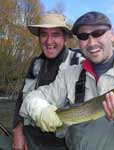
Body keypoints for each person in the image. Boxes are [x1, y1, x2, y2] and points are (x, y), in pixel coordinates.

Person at [19, 11, 114, 150]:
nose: (91, 42)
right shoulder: (69, 74)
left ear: (112, 34)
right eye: (83, 36)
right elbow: (31, 97)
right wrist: (40, 109)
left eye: (98, 33)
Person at [12, 12, 84, 150]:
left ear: (65, 38)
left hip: (65, 143)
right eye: (44, 34)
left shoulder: (79, 64)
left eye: (55, 34)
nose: (49, 41)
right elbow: (22, 97)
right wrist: (17, 130)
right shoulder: (36, 64)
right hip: (31, 136)